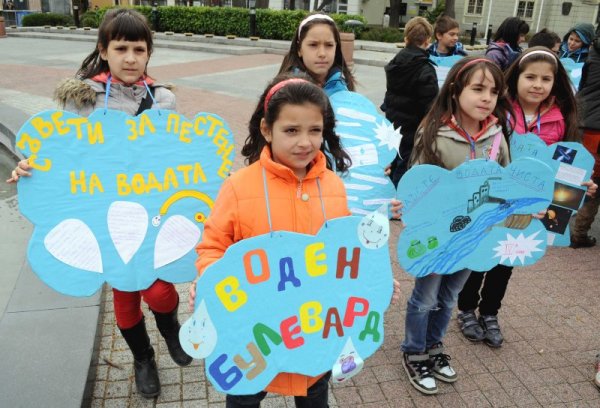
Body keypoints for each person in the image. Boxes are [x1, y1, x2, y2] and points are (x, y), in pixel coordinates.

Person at [7, 8, 191, 399]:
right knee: (125, 297)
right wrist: (30, 166)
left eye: (138, 49)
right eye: (120, 48)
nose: (130, 58)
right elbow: (60, 154)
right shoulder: (83, 100)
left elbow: (181, 156)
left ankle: (171, 329)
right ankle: (144, 358)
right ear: (104, 50)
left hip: (152, 215)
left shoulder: (163, 100)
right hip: (105, 218)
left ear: (148, 53)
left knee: (159, 292)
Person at [189, 74, 401, 407]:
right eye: (291, 131)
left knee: (315, 393)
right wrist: (211, 278)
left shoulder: (333, 186)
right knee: (244, 396)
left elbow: (342, 254)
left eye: (314, 131)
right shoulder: (238, 187)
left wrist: (372, 282)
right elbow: (213, 246)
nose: (304, 142)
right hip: (254, 330)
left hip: (312, 328)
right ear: (266, 130)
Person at [457, 47, 598, 347]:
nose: (538, 84)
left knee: (506, 259)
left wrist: (579, 184)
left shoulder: (561, 117)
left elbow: (566, 164)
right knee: (479, 253)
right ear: (515, 77)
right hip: (493, 199)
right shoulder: (499, 109)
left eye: (546, 78)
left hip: (528, 207)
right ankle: (467, 308)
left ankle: (490, 312)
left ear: (556, 81)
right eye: (530, 76)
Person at [402, 57, 513, 395]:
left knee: (449, 297)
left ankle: (434, 346)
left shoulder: (497, 135)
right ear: (455, 89)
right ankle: (413, 351)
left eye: (493, 91)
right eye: (478, 89)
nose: (487, 98)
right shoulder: (434, 129)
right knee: (425, 297)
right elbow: (415, 183)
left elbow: (504, 184)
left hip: (473, 239)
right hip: (437, 238)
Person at [381, 16, 438, 186]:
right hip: (413, 128)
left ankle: (387, 195)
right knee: (405, 166)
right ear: (428, 40)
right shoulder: (425, 68)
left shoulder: (395, 62)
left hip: (393, 122)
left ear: (406, 38)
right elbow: (430, 106)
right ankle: (397, 201)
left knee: (391, 161)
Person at [278, 13, 356, 97]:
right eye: (313, 45)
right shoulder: (286, 92)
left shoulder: (343, 84)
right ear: (299, 49)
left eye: (329, 45)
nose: (322, 54)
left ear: (336, 48)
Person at [572, 26, 600, 248]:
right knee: (594, 179)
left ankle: (564, 222)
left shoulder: (593, 52)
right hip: (596, 126)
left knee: (578, 171)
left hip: (584, 118)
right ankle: (578, 232)